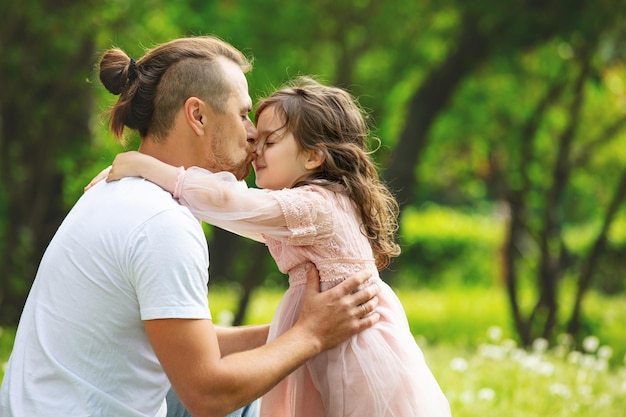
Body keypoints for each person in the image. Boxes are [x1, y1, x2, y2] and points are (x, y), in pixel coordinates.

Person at [0, 37, 381, 417]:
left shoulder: (120, 192)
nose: (252, 134)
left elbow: (181, 343)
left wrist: (294, 327)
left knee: (256, 381)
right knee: (249, 397)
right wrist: (311, 335)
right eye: (243, 114)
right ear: (198, 116)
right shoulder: (162, 224)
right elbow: (208, 395)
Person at [101, 77, 452, 417]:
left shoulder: (315, 206)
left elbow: (229, 203)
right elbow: (235, 215)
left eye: (270, 142)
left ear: (313, 156)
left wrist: (147, 167)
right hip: (336, 349)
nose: (255, 150)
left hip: (357, 355)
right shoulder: (310, 212)